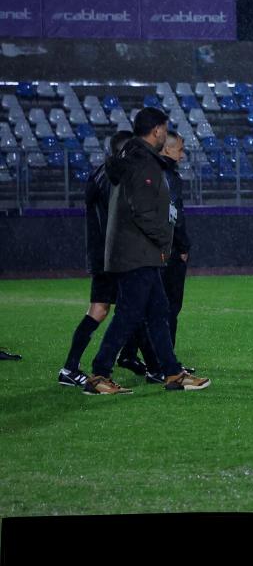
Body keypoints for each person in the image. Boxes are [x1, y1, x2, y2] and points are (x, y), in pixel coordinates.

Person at [83, 107, 210, 395]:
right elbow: (143, 210)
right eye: (165, 129)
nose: (166, 134)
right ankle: (99, 375)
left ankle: (172, 373)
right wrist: (164, 242)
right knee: (129, 313)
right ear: (156, 131)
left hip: (134, 249)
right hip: (137, 251)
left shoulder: (130, 157)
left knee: (158, 311)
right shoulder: (144, 163)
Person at [56, 131, 153, 387]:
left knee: (101, 310)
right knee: (132, 308)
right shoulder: (114, 178)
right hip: (114, 256)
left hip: (102, 255)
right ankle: (155, 366)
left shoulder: (98, 173)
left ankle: (71, 368)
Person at [124, 129, 195, 383]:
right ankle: (166, 364)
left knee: (148, 306)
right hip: (168, 251)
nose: (183, 155)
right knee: (167, 308)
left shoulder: (148, 173)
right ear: (167, 150)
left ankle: (136, 355)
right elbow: (174, 215)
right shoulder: (167, 176)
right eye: (180, 149)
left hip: (148, 249)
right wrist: (183, 246)